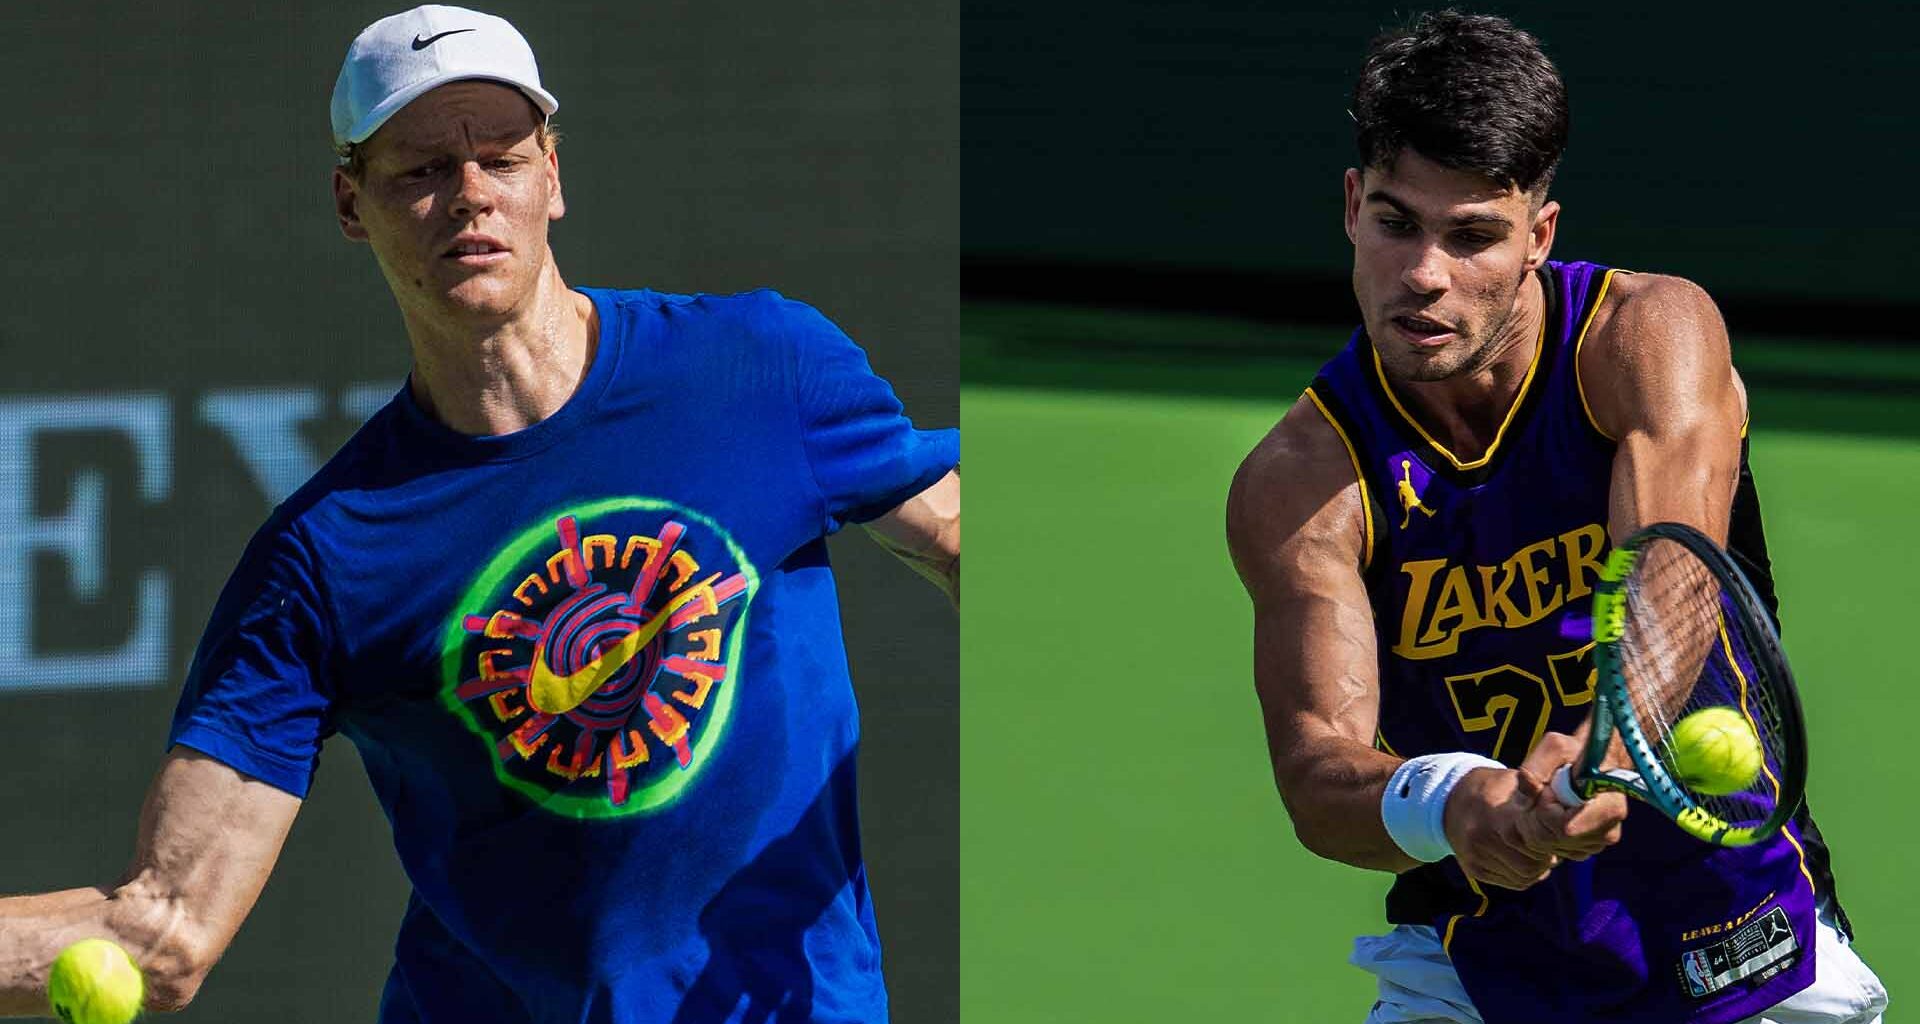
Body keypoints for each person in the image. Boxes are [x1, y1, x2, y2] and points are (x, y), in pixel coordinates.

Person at [0, 6, 957, 1022]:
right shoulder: (321, 559)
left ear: (552, 176)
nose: (469, 194)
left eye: (501, 158)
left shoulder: (761, 365)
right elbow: (164, 933)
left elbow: (957, 541)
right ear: (351, 204)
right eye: (421, 170)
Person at [1225, 12, 1884, 1024]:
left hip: (1741, 932)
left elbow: (1671, 576)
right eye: (1397, 223)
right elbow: (1319, 777)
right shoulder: (1300, 481)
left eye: (1473, 235)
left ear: (1538, 236)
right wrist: (1454, 801)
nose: (1426, 274)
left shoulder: (1644, 339)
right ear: (1352, 208)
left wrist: (1608, 754)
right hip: (1470, 966)